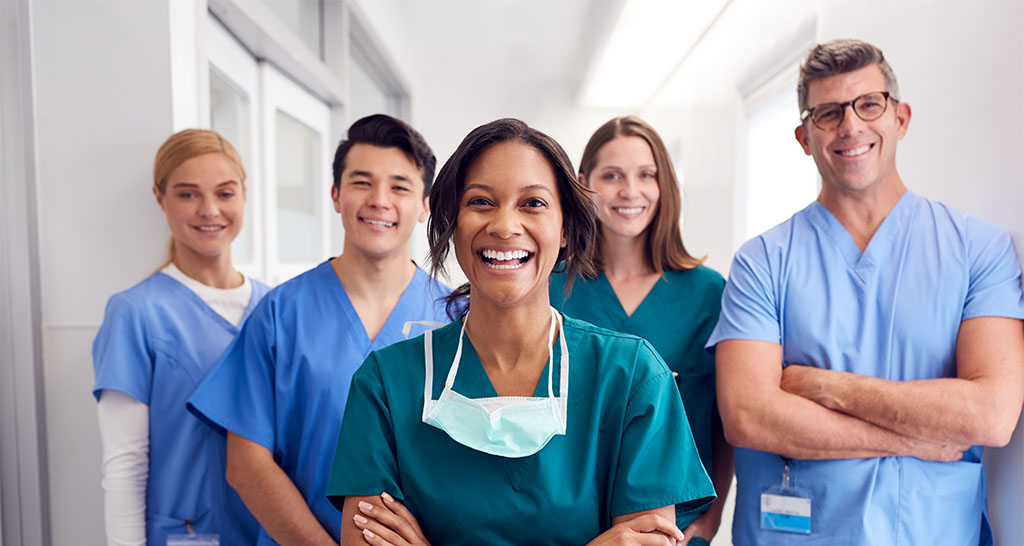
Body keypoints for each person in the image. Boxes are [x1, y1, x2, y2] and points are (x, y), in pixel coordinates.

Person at [327, 118, 716, 546]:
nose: (505, 225)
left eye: (532, 203)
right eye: (480, 201)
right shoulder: (385, 383)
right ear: (451, 223)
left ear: (566, 228)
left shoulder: (633, 377)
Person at [707, 39, 1024, 545]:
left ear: (901, 119)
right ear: (803, 137)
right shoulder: (762, 261)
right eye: (828, 113)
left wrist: (825, 387)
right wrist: (918, 437)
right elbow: (749, 416)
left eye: (869, 104)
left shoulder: (977, 249)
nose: (851, 126)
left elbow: (991, 414)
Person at [187, 114, 450, 545]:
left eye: (400, 186)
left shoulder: (456, 319)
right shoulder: (280, 314)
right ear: (335, 194)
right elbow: (246, 463)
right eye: (362, 182)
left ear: (425, 205)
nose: (380, 200)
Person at [550, 116, 731, 546]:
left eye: (645, 175)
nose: (630, 191)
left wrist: (714, 514)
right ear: (583, 184)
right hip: (574, 529)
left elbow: (722, 422)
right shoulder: (552, 287)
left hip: (675, 530)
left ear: (664, 183)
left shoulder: (707, 293)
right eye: (612, 176)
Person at [92, 128, 269, 546]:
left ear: (244, 194)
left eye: (225, 193)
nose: (209, 210)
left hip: (269, 532)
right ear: (160, 197)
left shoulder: (274, 306)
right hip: (186, 533)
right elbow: (125, 466)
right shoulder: (135, 313)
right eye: (188, 194)